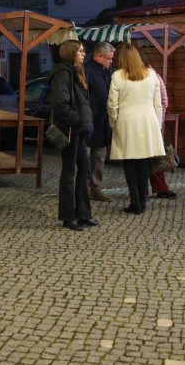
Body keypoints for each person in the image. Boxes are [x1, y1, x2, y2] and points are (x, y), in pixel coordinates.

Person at [108, 44, 164, 214]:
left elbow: (112, 105)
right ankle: (142, 200)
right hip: (148, 121)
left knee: (129, 164)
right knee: (144, 164)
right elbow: (158, 104)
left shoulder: (117, 76)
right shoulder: (152, 74)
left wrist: (114, 123)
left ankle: (135, 202)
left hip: (126, 122)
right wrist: (157, 125)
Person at [50, 40, 97, 231]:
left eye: (84, 51)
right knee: (69, 173)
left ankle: (84, 214)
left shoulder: (77, 72)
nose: (84, 54)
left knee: (84, 170)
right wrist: (78, 120)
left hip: (79, 131)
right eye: (80, 51)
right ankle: (68, 217)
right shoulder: (63, 74)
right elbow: (60, 104)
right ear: (71, 53)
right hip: (70, 130)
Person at [84, 42, 115, 202]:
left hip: (103, 122)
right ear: (99, 56)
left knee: (99, 158)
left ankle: (95, 188)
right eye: (109, 58)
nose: (111, 61)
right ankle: (82, 189)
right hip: (89, 121)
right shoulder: (86, 70)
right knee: (85, 158)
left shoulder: (107, 71)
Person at [148, 63, 176, 200]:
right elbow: (164, 102)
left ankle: (158, 188)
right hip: (154, 123)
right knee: (154, 156)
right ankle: (161, 188)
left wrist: (158, 122)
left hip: (152, 123)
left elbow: (163, 102)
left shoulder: (154, 77)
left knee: (153, 157)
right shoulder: (156, 76)